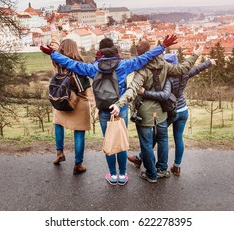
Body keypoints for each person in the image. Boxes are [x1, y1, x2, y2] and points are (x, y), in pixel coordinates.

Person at [40, 35, 178, 186]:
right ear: (114, 50)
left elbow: (71, 63)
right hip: (120, 108)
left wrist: (53, 54)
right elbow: (144, 58)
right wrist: (162, 45)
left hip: (104, 110)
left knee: (110, 142)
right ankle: (123, 175)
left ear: (100, 52)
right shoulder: (124, 65)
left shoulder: (93, 68)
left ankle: (113, 175)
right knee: (121, 141)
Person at [110, 42, 203, 183]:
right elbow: (182, 69)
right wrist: (194, 55)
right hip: (160, 112)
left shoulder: (142, 70)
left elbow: (132, 89)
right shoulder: (164, 64)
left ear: (140, 55)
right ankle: (162, 170)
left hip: (145, 113)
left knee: (147, 144)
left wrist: (119, 104)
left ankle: (151, 174)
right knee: (162, 140)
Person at [128, 54, 215, 176]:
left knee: (157, 136)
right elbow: (196, 69)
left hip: (171, 111)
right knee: (178, 138)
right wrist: (209, 62)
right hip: (183, 109)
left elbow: (164, 95)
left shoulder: (167, 78)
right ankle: (177, 166)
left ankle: (141, 159)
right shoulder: (184, 74)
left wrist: (145, 92)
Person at [49, 39, 92, 175]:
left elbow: (53, 48)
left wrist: (54, 35)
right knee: (79, 132)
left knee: (58, 124)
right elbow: (86, 88)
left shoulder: (57, 62)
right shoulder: (79, 64)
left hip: (62, 98)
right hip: (78, 101)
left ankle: (59, 152)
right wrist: (94, 102)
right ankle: (78, 164)